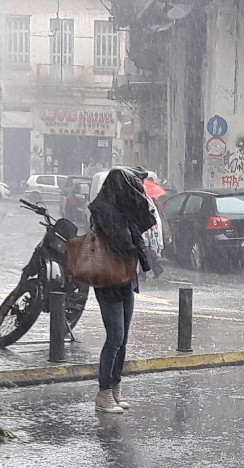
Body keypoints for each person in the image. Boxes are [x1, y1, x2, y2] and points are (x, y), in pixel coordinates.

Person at [87, 166, 157, 414]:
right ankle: (103, 392)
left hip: (126, 278)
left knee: (124, 338)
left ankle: (115, 387)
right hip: (108, 280)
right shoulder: (104, 211)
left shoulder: (124, 211)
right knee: (115, 336)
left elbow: (140, 233)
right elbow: (123, 242)